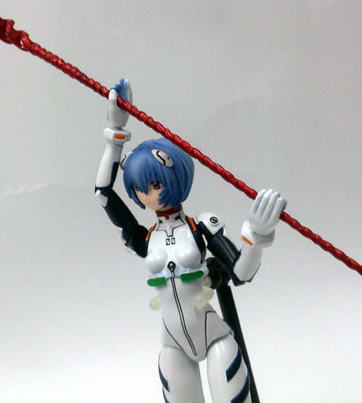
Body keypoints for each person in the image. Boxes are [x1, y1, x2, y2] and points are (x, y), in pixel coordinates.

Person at [95, 79, 286, 403]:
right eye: (139, 187)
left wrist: (256, 237)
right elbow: (103, 193)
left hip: (213, 336)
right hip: (172, 343)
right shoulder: (146, 238)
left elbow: (241, 273)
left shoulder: (201, 228)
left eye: (154, 184)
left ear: (174, 178)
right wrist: (115, 135)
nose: (146, 193)